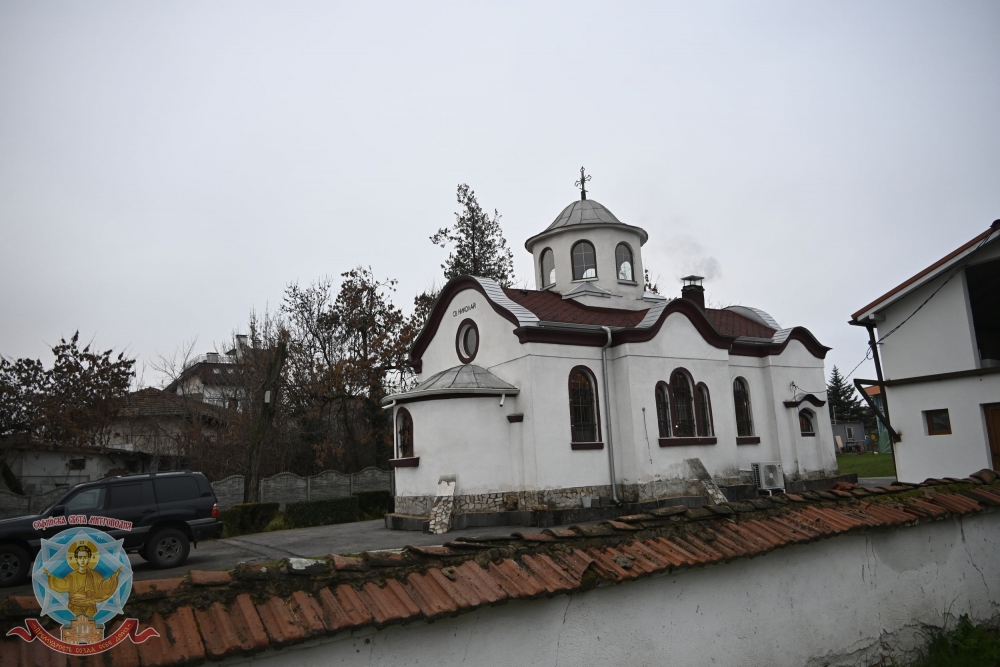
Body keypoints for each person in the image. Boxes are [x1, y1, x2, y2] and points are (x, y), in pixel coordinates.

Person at [44, 543, 121, 618]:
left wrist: (114, 576)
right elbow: (63, 584)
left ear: (89, 558)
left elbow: (103, 586)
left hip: (90, 608)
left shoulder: (95, 575)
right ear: (77, 559)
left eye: (85, 557)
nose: (82, 559)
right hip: (75, 607)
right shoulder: (72, 576)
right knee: (75, 627)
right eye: (80, 557)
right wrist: (50, 576)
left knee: (90, 628)